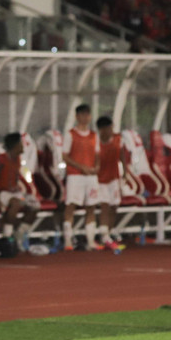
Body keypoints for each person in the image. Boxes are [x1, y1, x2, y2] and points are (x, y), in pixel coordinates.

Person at [0, 132, 40, 251]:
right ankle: (8, 237)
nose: (23, 146)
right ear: (15, 145)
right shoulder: (0, 159)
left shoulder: (17, 159)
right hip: (3, 193)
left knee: (35, 205)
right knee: (15, 204)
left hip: (16, 193)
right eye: (21, 144)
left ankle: (18, 233)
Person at [62, 104, 100, 251]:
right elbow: (65, 156)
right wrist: (80, 166)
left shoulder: (93, 136)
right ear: (77, 116)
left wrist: (96, 167)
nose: (85, 117)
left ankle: (90, 240)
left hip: (90, 176)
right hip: (75, 176)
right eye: (82, 114)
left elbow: (97, 155)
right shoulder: (70, 134)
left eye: (87, 114)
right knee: (71, 205)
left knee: (91, 206)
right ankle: (68, 240)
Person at [96, 116, 125, 246]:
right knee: (105, 206)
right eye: (107, 128)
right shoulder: (95, 142)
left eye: (111, 128)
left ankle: (110, 230)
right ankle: (104, 235)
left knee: (114, 205)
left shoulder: (118, 139)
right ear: (101, 130)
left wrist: (125, 174)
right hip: (100, 180)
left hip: (114, 178)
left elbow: (123, 156)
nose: (110, 131)